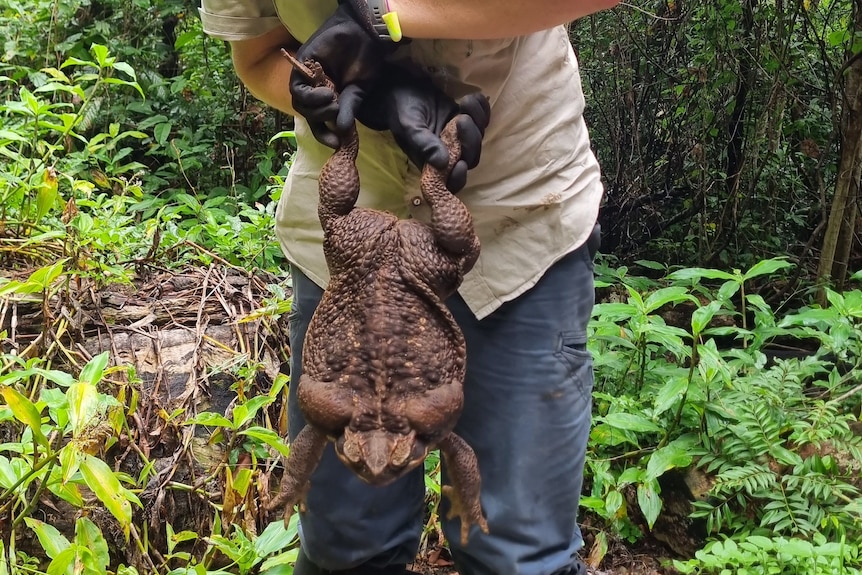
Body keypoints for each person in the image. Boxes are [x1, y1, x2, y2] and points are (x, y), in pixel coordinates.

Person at [198, 1, 617, 574]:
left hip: (516, 215)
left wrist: (385, 15)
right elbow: (256, 56)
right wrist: (330, 97)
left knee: (519, 553)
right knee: (346, 550)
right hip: (349, 243)